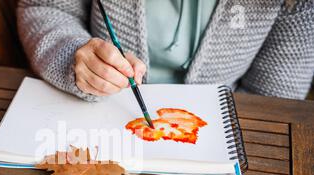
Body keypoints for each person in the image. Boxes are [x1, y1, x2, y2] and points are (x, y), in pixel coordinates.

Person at [17, 0, 314, 101]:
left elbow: (274, 99)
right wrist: (72, 56)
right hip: (95, 118)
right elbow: (47, 7)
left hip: (227, 134)